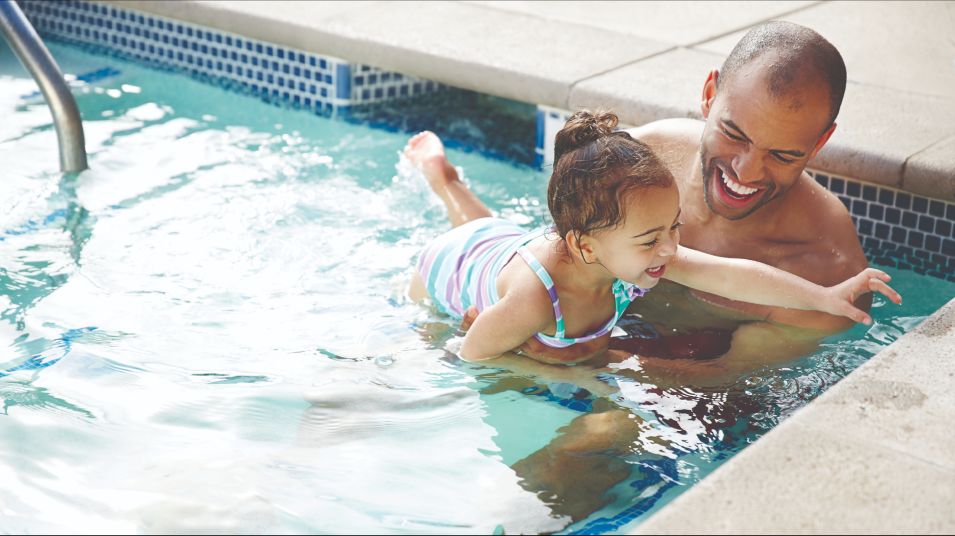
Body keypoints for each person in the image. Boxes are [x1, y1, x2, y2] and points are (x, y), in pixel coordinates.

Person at [406, 110, 899, 364]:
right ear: (586, 246)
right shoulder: (533, 303)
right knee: (471, 240)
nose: (670, 248)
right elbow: (467, 358)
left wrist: (826, 297)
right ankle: (444, 180)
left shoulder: (635, 250)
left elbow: (736, 278)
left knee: (491, 230)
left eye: (674, 227)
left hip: (506, 247)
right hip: (445, 269)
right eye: (650, 239)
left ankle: (445, 180)